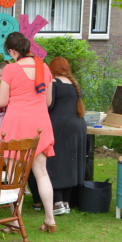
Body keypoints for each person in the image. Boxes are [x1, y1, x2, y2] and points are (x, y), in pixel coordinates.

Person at [0, 32, 57, 234]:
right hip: (40, 124)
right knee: (42, 173)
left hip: (17, 124)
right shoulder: (44, 67)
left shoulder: (11, 69)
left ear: (12, 51)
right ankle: (50, 219)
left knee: (15, 176)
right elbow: (48, 102)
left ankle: (15, 222)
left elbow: (3, 102)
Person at [28, 57, 87, 215]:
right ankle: (65, 202)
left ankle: (58, 202)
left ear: (51, 69)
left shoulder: (53, 83)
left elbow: (48, 105)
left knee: (55, 163)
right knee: (69, 164)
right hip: (77, 126)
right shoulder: (74, 84)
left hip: (59, 127)